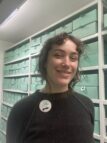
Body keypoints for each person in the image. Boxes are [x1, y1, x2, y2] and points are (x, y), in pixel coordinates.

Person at [6, 32, 95, 143]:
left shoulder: (87, 104)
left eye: (73, 58)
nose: (67, 63)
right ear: (45, 61)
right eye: (58, 55)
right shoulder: (22, 110)